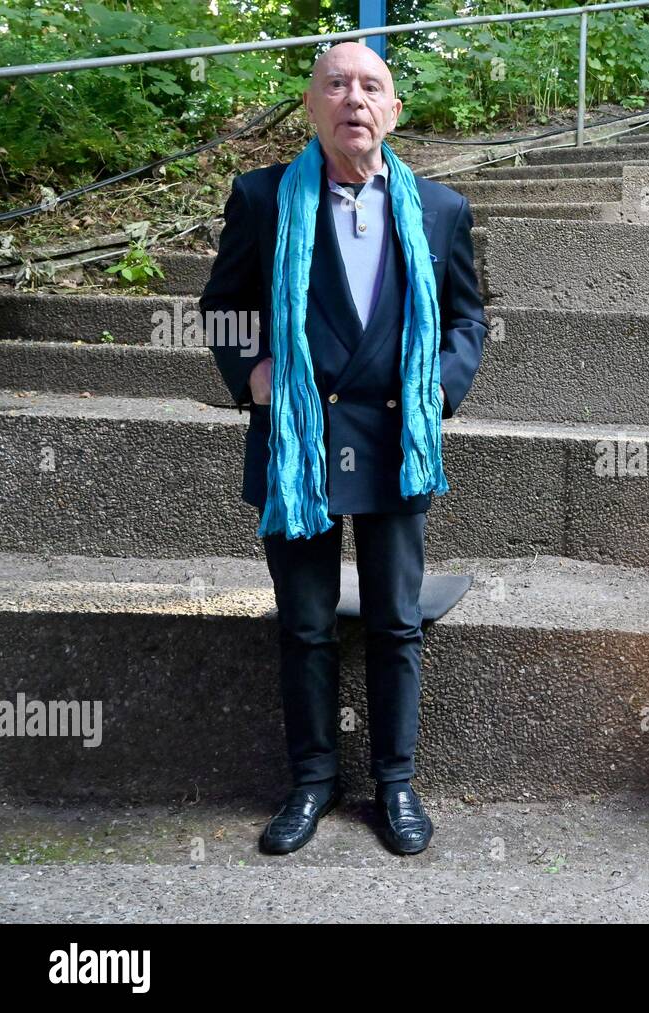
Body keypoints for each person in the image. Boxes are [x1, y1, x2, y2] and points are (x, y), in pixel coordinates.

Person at [201, 42, 487, 856]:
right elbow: (222, 304)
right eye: (336, 83)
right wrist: (253, 375)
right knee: (305, 622)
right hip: (299, 439)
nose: (353, 98)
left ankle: (396, 783)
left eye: (371, 86)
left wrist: (439, 387)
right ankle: (312, 782)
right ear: (311, 106)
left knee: (397, 621)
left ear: (394, 112)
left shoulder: (440, 210)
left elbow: (467, 318)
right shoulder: (262, 200)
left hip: (398, 441)